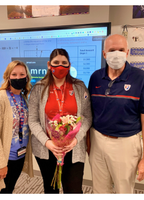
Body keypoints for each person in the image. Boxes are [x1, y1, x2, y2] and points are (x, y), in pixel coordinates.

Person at [88, 34, 144, 194]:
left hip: (125, 144)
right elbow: (90, 113)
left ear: (127, 52)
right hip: (97, 141)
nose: (117, 53)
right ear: (104, 54)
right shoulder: (95, 78)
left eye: (121, 50)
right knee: (99, 190)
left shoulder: (141, 78)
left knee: (124, 191)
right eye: (112, 50)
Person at [28, 49, 91, 193]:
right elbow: (33, 120)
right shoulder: (38, 88)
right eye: (56, 63)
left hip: (73, 148)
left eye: (64, 63)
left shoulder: (79, 87)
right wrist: (47, 142)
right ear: (49, 65)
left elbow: (87, 117)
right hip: (46, 149)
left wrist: (75, 140)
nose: (60, 66)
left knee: (74, 190)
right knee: (51, 190)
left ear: (69, 65)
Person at [0, 60, 35, 194]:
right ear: (8, 77)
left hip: (19, 156)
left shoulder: (24, 98)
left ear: (26, 77)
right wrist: (1, 164)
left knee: (9, 188)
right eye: (14, 74)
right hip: (5, 158)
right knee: (1, 191)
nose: (18, 78)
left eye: (21, 74)